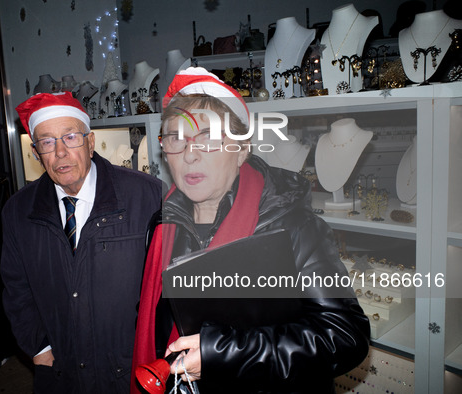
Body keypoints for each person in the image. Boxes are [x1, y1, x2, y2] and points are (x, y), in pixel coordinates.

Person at [131, 67, 370, 393]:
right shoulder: (160, 227)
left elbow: (344, 335)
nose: (190, 154)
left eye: (209, 138)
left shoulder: (291, 227)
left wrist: (224, 353)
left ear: (242, 149)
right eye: (176, 138)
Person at [0, 91, 162, 393]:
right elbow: (16, 288)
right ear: (36, 153)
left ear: (90, 141)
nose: (60, 152)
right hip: (62, 372)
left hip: (131, 370)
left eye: (70, 137)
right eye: (47, 142)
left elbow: (169, 281)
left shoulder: (148, 196)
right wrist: (38, 347)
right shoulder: (19, 211)